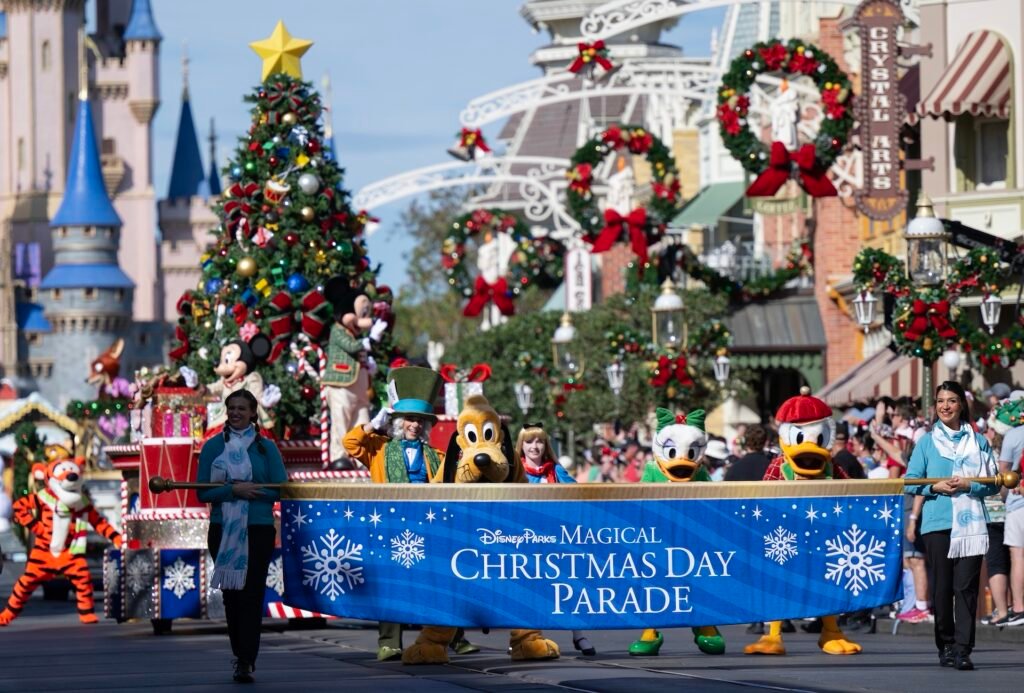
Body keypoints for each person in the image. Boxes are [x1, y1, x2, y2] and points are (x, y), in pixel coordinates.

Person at [341, 366, 480, 659]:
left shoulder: (436, 455)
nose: (415, 425)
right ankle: (389, 642)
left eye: (420, 421)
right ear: (397, 421)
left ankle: (454, 637)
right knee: (392, 583)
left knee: (440, 579)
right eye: (409, 419)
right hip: (391, 525)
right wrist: (371, 425)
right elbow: (349, 443)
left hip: (428, 524)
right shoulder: (379, 450)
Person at [905, 381, 999, 670]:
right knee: (943, 588)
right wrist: (935, 486)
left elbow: (993, 483)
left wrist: (970, 485)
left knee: (966, 588)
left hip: (972, 525)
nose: (945, 406)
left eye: (951, 400)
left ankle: (963, 649)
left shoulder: (979, 441)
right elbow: (910, 481)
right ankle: (945, 644)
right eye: (941, 401)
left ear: (961, 405)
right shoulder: (927, 442)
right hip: (938, 523)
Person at [197, 389, 287, 684]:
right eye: (232, 408)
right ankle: (239, 653)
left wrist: (253, 491)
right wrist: (233, 490)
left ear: (252, 413)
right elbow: (202, 492)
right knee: (232, 595)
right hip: (223, 528)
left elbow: (280, 488)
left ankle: (246, 659)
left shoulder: (265, 448)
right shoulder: (213, 447)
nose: (236, 413)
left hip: (258, 528)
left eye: (241, 408)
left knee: (251, 594)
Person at [516, 422, 595, 656]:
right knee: (528, 589)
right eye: (529, 441)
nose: (534, 446)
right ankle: (527, 638)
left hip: (555, 539)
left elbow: (578, 496)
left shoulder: (556, 472)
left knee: (568, 586)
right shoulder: (514, 472)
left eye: (539, 441)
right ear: (521, 445)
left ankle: (579, 634)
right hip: (525, 540)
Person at [995, 398, 1024, 626]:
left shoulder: (1013, 436)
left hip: (1017, 501)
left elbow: (1004, 473)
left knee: (1018, 556)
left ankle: (1019, 607)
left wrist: (1003, 496)